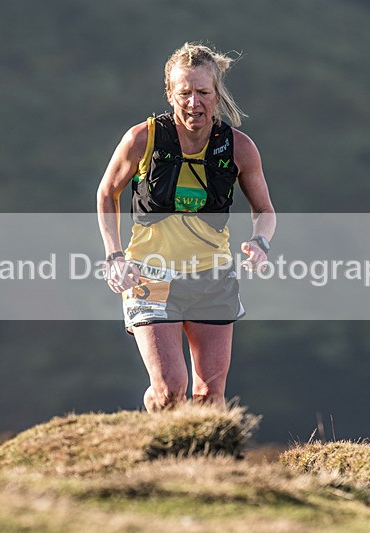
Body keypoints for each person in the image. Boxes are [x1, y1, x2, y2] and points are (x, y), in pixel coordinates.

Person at [97, 42, 275, 412]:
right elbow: (106, 194)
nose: (194, 103)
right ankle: (157, 445)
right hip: (149, 274)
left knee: (210, 399)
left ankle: (199, 467)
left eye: (203, 93)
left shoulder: (239, 148)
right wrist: (114, 256)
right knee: (169, 392)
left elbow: (265, 210)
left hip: (212, 278)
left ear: (217, 94)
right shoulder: (141, 139)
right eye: (184, 93)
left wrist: (261, 242)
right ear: (169, 94)